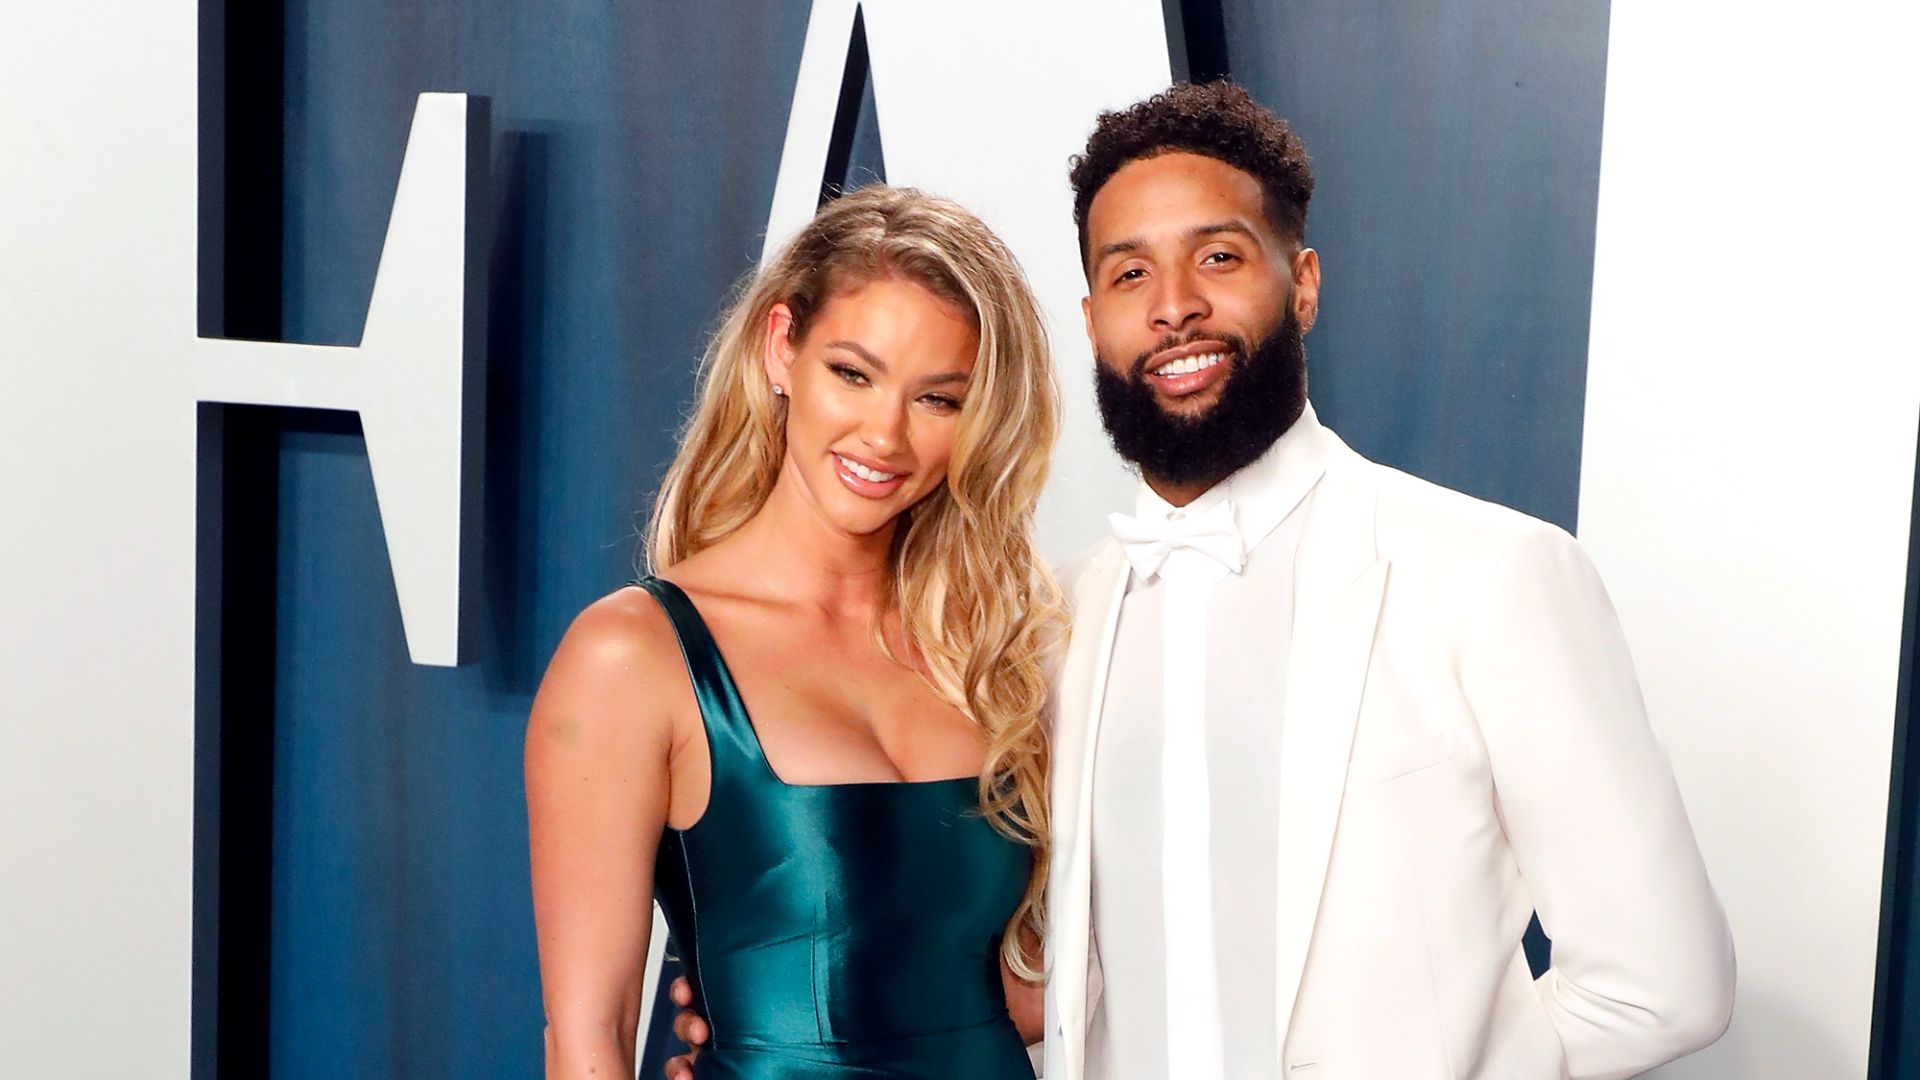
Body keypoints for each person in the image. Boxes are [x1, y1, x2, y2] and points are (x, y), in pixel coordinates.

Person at [671, 82, 1737, 1080]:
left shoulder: (1488, 576)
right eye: (1131, 273)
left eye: (1219, 258)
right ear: (1092, 321)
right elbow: (1044, 972)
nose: (1173, 306)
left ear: (1302, 283)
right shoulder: (1054, 627)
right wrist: (764, 1009)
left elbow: (1664, 987)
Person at [527, 184, 1061, 1080]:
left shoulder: (993, 655)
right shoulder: (633, 658)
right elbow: (588, 1040)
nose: (883, 434)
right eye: (852, 374)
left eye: (939, 399)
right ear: (782, 350)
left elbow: (985, 991)